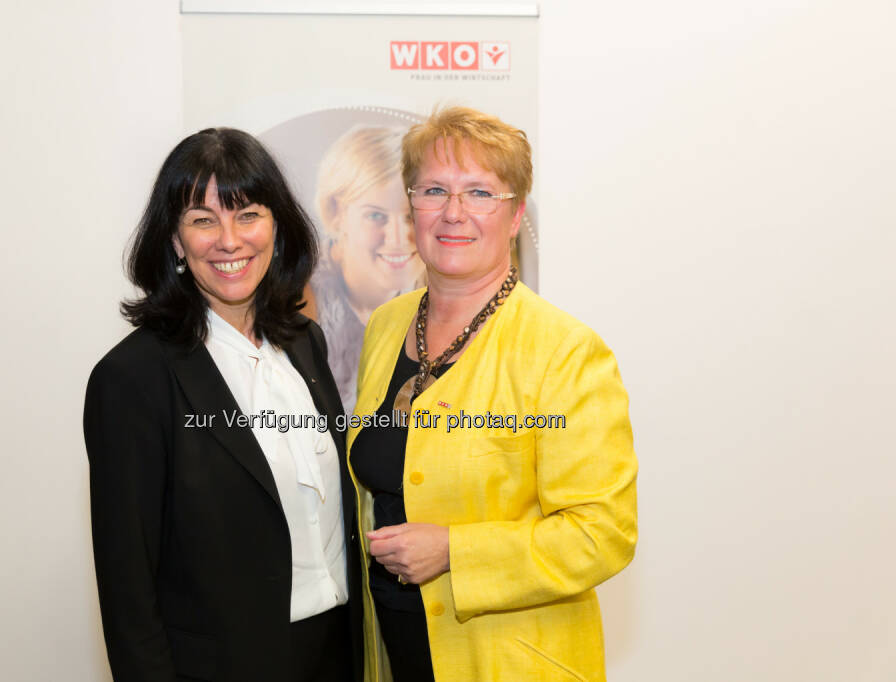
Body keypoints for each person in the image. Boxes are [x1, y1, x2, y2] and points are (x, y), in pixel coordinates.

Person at [347, 107, 638, 682]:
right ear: (412, 209)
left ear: (514, 215)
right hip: (397, 653)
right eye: (434, 190)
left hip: (510, 664)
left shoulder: (565, 351)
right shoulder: (386, 325)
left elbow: (603, 533)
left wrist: (456, 550)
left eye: (480, 192)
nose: (454, 212)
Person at [83, 128, 361, 682]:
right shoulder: (132, 379)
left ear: (277, 226)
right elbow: (128, 589)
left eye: (248, 214)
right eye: (203, 220)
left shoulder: (305, 341)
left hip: (335, 650)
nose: (229, 240)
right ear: (175, 241)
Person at [308, 125, 425, 412]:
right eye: (375, 215)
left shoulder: (443, 300)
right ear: (335, 214)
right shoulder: (295, 307)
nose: (398, 239)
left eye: (412, 216)